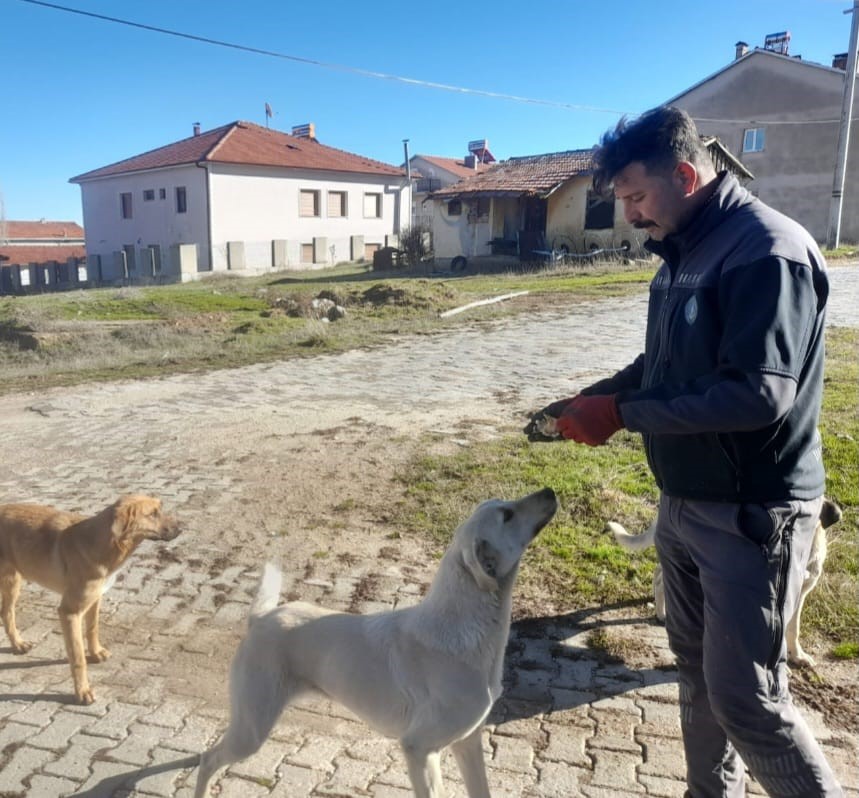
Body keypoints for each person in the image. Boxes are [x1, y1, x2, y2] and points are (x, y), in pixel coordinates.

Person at [525, 106, 842, 798]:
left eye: (637, 197)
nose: (631, 215)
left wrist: (620, 415)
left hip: (750, 515)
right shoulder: (684, 254)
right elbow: (665, 364)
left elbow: (760, 394)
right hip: (683, 504)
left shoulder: (765, 250)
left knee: (748, 701)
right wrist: (593, 397)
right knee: (696, 676)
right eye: (623, 200)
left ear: (687, 176)